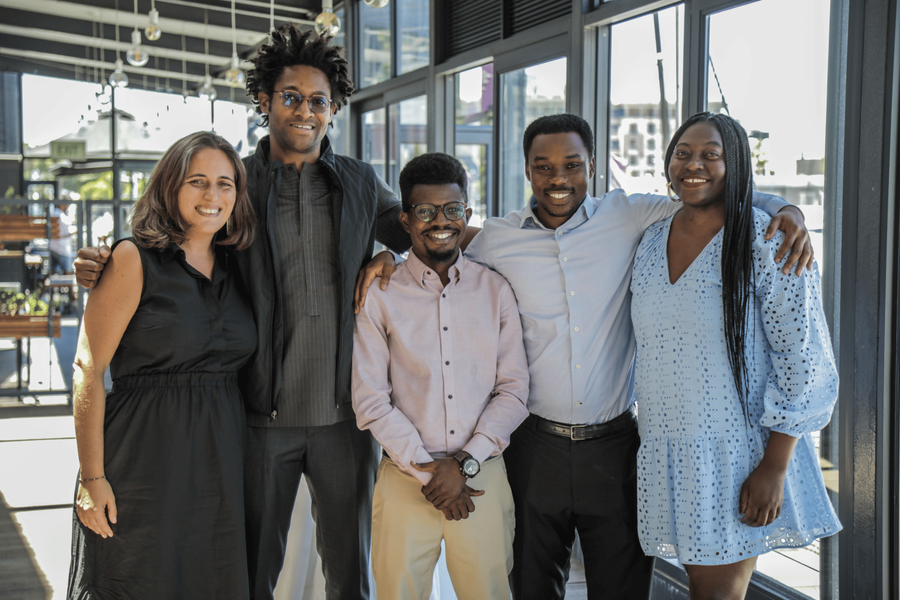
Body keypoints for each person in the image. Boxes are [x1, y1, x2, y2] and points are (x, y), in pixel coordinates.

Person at [357, 113, 814, 600]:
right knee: (530, 586)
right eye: (543, 166)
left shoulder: (630, 215)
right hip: (533, 447)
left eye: (572, 165)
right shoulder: (498, 239)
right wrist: (390, 259)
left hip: (615, 447)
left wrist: (786, 208)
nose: (558, 178)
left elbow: (707, 194)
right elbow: (440, 241)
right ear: (527, 170)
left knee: (621, 588)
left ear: (592, 166)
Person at [73, 25, 449, 600]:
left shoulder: (359, 182)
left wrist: (390, 255)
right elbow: (177, 241)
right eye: (291, 97)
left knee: (351, 575)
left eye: (318, 100)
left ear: (334, 109)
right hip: (255, 418)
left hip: (344, 418)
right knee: (246, 574)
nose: (305, 111)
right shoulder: (237, 183)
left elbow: (428, 235)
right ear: (265, 101)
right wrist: (104, 262)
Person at [630, 112, 840, 599]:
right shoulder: (650, 239)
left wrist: (775, 467)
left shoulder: (767, 241)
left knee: (717, 594)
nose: (693, 164)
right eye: (683, 153)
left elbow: (801, 360)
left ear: (737, 164)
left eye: (712, 154)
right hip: (668, 448)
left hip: (736, 456)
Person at [67, 131, 257, 599]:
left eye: (225, 184)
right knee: (138, 581)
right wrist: (92, 478)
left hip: (220, 464)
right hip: (143, 460)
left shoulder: (241, 266)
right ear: (170, 186)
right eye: (198, 181)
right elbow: (88, 369)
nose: (212, 196)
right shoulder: (133, 258)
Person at [351, 153, 530, 599]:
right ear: (405, 219)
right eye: (426, 211)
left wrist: (465, 462)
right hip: (404, 476)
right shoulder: (379, 294)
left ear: (466, 214)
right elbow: (370, 400)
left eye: (452, 209)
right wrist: (432, 475)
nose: (441, 222)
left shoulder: (496, 290)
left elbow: (513, 391)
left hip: (481, 476)